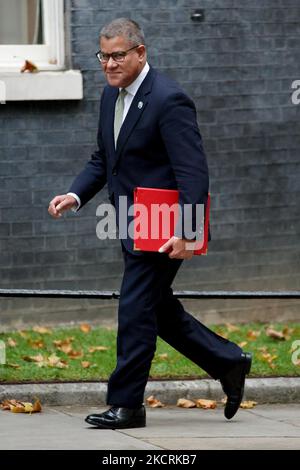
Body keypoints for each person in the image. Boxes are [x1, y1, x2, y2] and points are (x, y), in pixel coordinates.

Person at [48, 18, 252, 429]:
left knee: (136, 308)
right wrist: (75, 194)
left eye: (118, 55)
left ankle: (127, 405)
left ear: (141, 53)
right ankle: (230, 362)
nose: (109, 63)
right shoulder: (112, 96)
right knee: (158, 309)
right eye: (103, 56)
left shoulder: (169, 99)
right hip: (130, 222)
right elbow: (105, 159)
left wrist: (189, 232)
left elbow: (193, 172)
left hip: (165, 227)